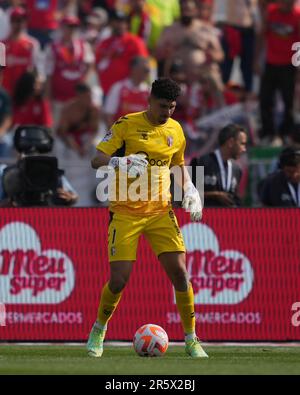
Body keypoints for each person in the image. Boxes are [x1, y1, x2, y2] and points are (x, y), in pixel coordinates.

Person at [87, 78, 208, 358]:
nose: (167, 112)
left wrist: (190, 190)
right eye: (163, 106)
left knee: (180, 274)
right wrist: (119, 161)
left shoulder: (176, 130)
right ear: (150, 101)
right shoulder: (126, 124)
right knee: (119, 280)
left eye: (173, 107)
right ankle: (98, 329)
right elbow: (96, 159)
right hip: (126, 213)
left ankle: (191, 339)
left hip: (160, 212)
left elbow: (177, 164)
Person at [257, 0, 300, 146]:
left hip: (288, 65)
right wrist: (257, 60)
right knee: (265, 99)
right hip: (271, 63)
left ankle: (286, 133)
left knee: (288, 101)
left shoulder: (297, 15)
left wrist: (298, 68)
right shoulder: (271, 11)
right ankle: (268, 133)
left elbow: (299, 44)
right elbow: (262, 35)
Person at [190, 124, 247, 207]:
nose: (244, 149)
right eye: (242, 144)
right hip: (201, 218)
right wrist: (214, 195)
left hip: (226, 219)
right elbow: (183, 195)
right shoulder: (200, 162)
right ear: (230, 142)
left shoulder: (237, 170)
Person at [95, 9, 149, 96]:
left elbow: (143, 65)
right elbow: (97, 64)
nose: (118, 24)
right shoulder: (104, 43)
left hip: (127, 92)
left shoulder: (135, 42)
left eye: (122, 22)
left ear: (127, 24)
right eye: (115, 21)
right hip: (105, 91)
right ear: (111, 23)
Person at [2, 7, 41, 97]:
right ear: (11, 21)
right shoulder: (2, 44)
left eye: (22, 20)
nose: (19, 24)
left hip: (24, 94)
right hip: (5, 92)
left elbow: (37, 69)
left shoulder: (32, 44)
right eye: (16, 20)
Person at [103, 55, 151, 126]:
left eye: (148, 70)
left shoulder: (149, 91)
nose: (147, 73)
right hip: (121, 134)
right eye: (145, 70)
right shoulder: (118, 88)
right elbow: (109, 115)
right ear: (133, 69)